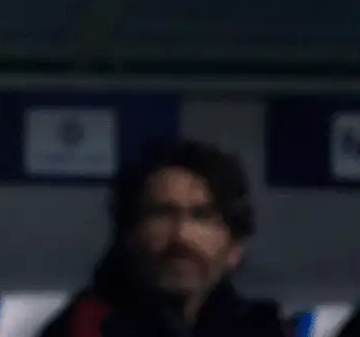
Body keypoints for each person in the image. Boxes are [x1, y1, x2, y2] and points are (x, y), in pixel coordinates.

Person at [37, 140, 283, 337]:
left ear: (235, 248)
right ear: (129, 235)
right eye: (162, 214)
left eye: (202, 216)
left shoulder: (261, 329)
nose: (181, 235)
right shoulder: (83, 327)